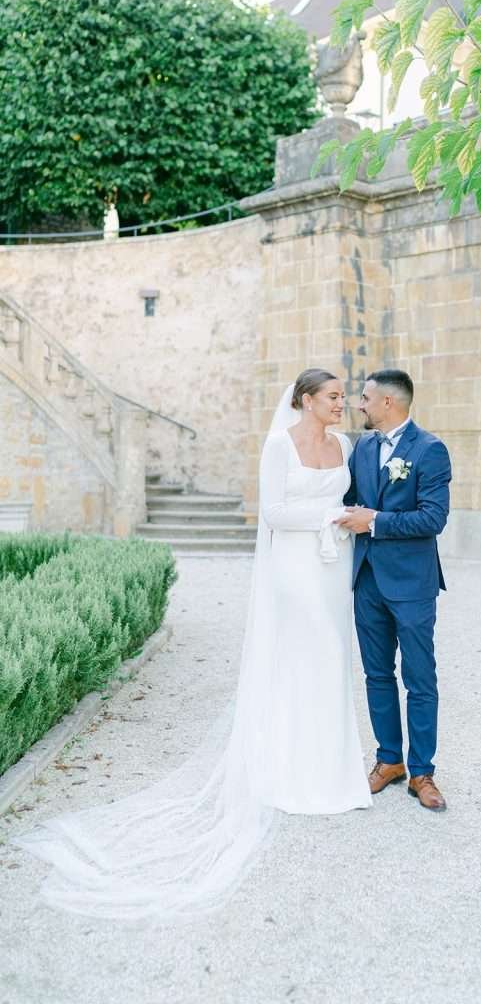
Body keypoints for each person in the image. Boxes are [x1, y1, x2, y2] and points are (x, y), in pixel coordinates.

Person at [13, 368, 370, 923]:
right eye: (332, 396)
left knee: (330, 661)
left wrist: (345, 522)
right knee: (302, 658)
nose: (341, 404)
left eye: (343, 397)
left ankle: (331, 771)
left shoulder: (344, 444)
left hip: (333, 564)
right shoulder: (280, 445)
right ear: (305, 400)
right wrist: (331, 515)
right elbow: (273, 514)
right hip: (296, 567)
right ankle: (287, 770)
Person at [336, 369, 452, 812]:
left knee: (420, 679)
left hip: (412, 584)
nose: (359, 405)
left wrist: (376, 521)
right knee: (377, 675)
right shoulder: (363, 447)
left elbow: (432, 519)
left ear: (388, 403)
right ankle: (389, 760)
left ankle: (422, 771)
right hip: (367, 580)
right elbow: (342, 497)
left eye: (365, 398)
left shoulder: (430, 450)